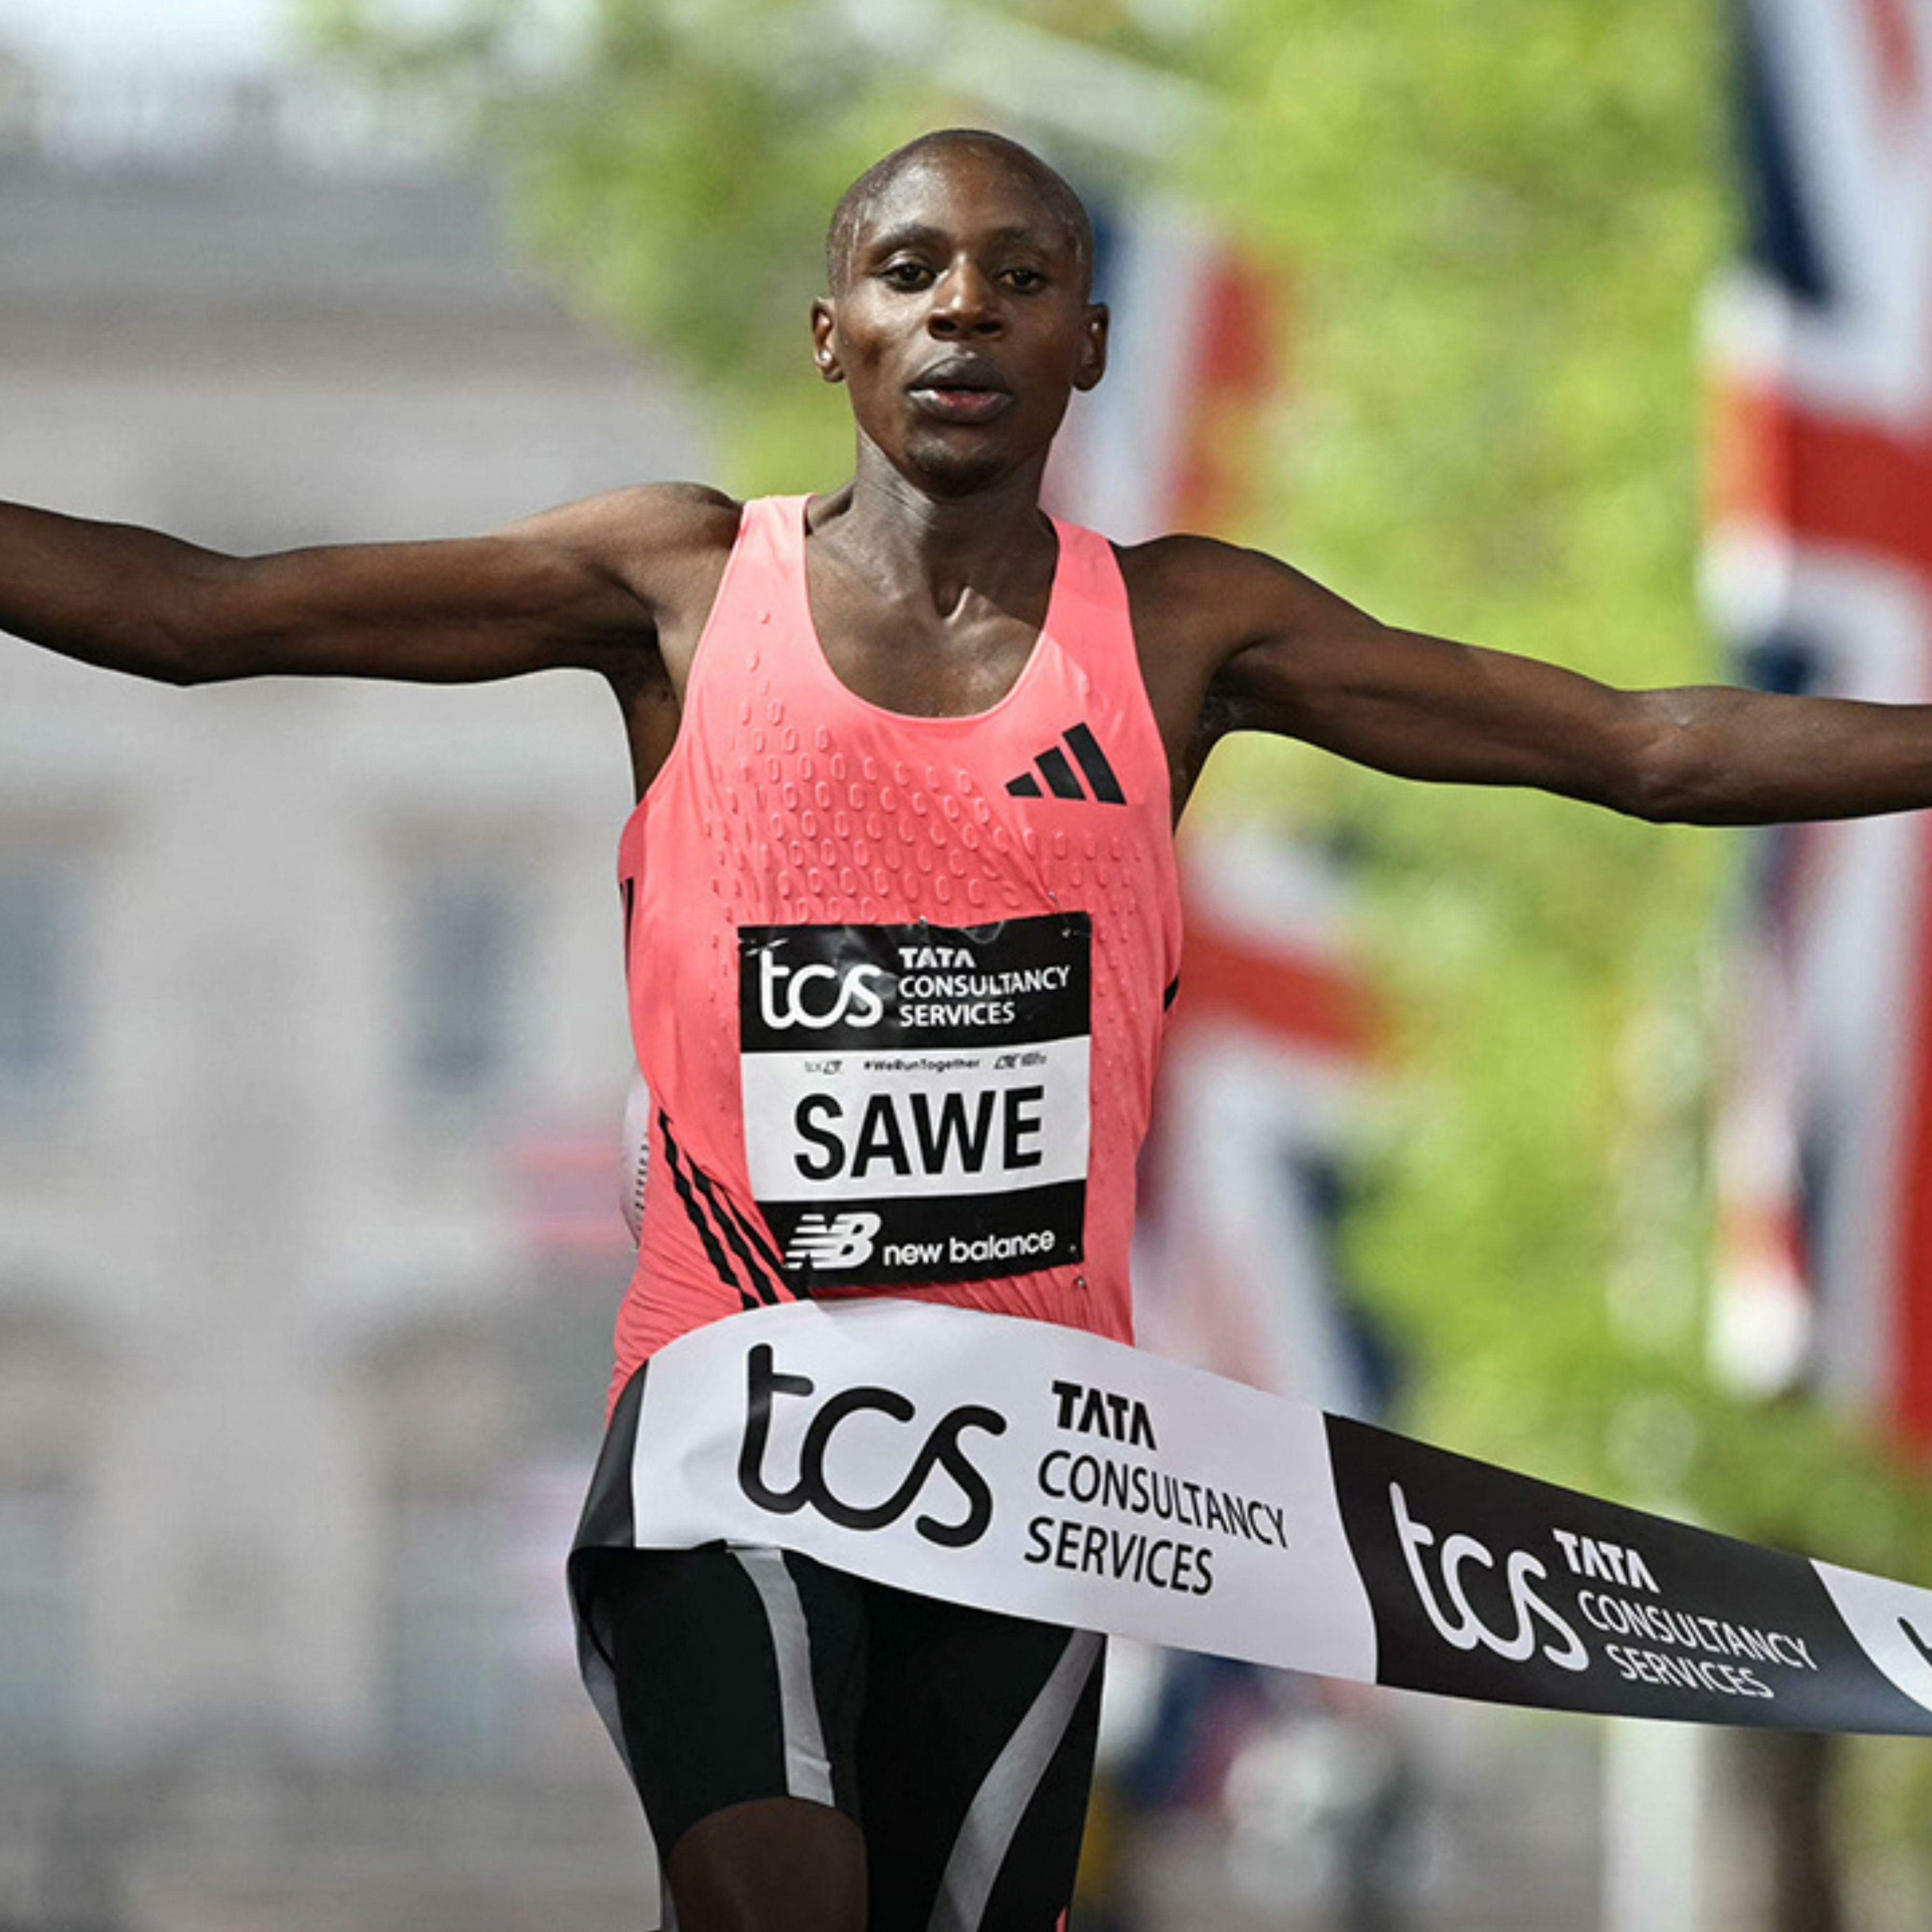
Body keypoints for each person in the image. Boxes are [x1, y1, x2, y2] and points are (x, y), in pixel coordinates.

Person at [6, 122, 1932, 1931]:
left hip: (1030, 1469)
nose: (962, 311)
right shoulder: (679, 588)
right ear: (830, 331)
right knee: (773, 1883)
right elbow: (202, 614)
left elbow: (1645, 747)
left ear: (1087, 342)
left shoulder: (1180, 629)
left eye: (1019, 279)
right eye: (912, 270)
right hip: (735, 1420)